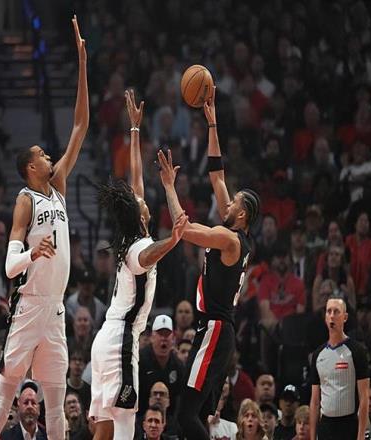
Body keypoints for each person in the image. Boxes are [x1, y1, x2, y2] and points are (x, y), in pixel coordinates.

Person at [0, 16, 89, 440]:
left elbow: (80, 126)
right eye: (43, 155)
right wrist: (33, 252)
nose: (49, 157)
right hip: (28, 306)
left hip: (56, 309)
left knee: (57, 402)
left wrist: (82, 63)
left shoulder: (58, 188)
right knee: (6, 393)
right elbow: (10, 267)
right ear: (30, 167)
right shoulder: (25, 200)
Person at [157, 85, 260, 439]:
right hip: (216, 330)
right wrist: (212, 124)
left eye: (233, 203)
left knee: (185, 415)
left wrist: (169, 186)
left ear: (242, 214)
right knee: (194, 414)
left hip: (215, 329)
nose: (226, 203)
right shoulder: (235, 234)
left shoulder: (228, 238)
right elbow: (217, 175)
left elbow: (183, 229)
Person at [89, 90, 188, 440]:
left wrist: (134, 130)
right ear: (140, 216)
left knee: (103, 429)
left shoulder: (131, 235)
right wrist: (173, 240)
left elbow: (136, 179)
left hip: (105, 341)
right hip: (121, 341)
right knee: (124, 427)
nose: (141, 199)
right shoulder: (139, 246)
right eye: (140, 202)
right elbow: (149, 256)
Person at [309, 296, 370, 440]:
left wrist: (361, 436)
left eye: (336, 311)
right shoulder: (318, 355)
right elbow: (315, 401)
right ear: (325, 317)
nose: (332, 316)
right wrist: (312, 437)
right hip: (326, 426)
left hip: (348, 425)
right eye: (328, 311)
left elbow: (364, 398)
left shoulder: (357, 351)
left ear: (345, 317)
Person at [138, 315, 185, 418]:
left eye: (167, 334)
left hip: (168, 419)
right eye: (160, 334)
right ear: (152, 337)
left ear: (173, 338)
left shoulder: (178, 366)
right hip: (140, 417)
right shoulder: (139, 361)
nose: (164, 338)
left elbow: (179, 399)